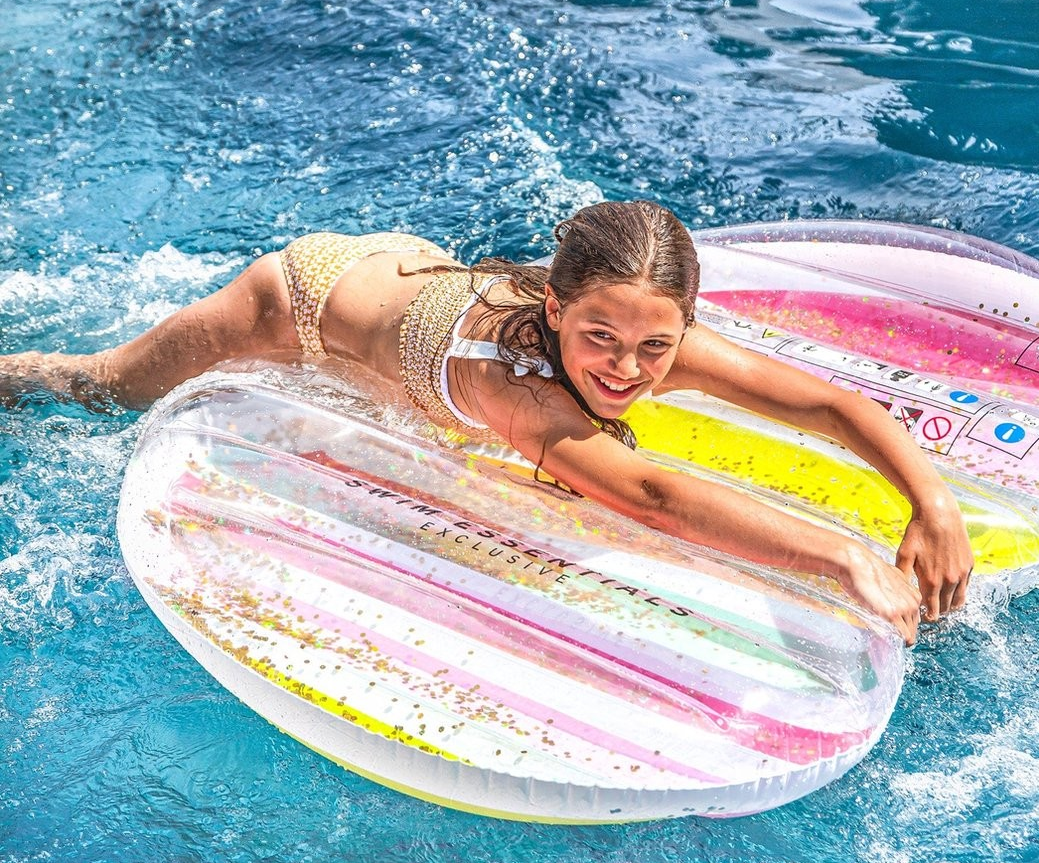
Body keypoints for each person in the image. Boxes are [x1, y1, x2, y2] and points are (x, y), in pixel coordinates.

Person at [1, 200, 973, 642]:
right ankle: (15, 372)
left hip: (406, 286)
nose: (630, 371)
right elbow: (651, 494)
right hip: (298, 300)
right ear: (554, 308)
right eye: (601, 340)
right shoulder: (513, 383)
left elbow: (825, 401)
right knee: (102, 389)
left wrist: (928, 500)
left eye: (657, 349)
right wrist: (841, 555)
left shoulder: (635, 332)